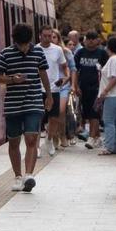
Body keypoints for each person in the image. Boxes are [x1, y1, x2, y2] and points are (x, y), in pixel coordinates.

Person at [0, 23, 53, 192]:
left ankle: (28, 175)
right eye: (20, 45)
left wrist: (49, 95)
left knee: (31, 138)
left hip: (33, 101)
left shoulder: (38, 52)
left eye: (26, 45)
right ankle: (18, 176)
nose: (24, 48)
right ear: (15, 42)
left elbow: (43, 74)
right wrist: (13, 79)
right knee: (14, 141)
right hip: (13, 103)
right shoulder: (5, 54)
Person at [38, 26, 69, 156]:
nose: (47, 38)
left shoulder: (57, 50)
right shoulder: (35, 49)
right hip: (38, 88)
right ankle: (36, 145)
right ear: (40, 36)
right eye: (44, 36)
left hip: (54, 88)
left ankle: (49, 139)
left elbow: (65, 67)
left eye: (49, 36)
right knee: (38, 118)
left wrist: (66, 77)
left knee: (54, 117)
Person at [74, 31, 108, 149]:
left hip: (97, 88)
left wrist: (105, 88)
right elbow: (75, 71)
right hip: (83, 88)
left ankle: (91, 137)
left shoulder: (102, 53)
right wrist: (76, 86)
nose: (91, 41)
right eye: (88, 38)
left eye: (93, 38)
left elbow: (106, 71)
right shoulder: (80, 53)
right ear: (85, 40)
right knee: (88, 113)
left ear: (97, 40)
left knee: (95, 113)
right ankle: (97, 137)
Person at [96, 36, 116, 155]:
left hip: (112, 95)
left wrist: (105, 91)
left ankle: (109, 146)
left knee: (108, 121)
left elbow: (115, 77)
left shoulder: (113, 60)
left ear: (108, 47)